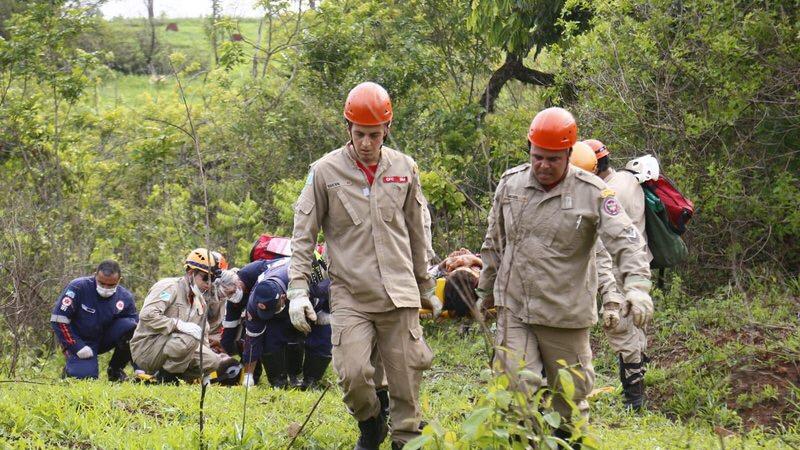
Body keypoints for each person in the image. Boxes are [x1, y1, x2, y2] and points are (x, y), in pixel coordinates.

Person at [477, 107, 653, 436]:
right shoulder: (511, 185)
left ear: (569, 154)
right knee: (515, 391)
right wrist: (484, 292)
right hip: (515, 307)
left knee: (569, 401)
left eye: (552, 159)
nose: (543, 166)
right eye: (537, 157)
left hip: (565, 315)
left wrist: (638, 287)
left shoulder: (593, 192)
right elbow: (494, 242)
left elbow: (626, 242)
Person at [289, 81, 435, 450]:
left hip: (399, 292)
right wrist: (296, 290)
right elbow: (303, 234)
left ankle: (404, 438)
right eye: (359, 135)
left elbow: (418, 232)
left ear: (387, 129)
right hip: (351, 294)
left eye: (374, 134)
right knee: (353, 374)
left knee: (406, 382)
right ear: (347, 129)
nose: (367, 143)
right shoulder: (324, 172)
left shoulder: (405, 168)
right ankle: (371, 423)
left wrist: (426, 287)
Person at [584, 138, 652, 409]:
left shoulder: (605, 193)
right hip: (639, 268)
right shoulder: (628, 180)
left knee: (620, 330)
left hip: (618, 272)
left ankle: (634, 400)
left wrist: (608, 294)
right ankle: (638, 388)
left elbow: (601, 246)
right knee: (637, 329)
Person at [130, 248, 240, 383]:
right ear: (191, 272)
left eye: (212, 279)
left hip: (174, 348)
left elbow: (203, 335)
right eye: (206, 278)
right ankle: (165, 379)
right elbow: (147, 314)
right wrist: (177, 325)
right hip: (148, 348)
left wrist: (207, 368)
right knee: (188, 339)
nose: (209, 284)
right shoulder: (169, 287)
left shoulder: (200, 301)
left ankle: (170, 378)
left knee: (211, 360)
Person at [239, 257, 332, 390]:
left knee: (323, 332)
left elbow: (331, 287)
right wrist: (248, 375)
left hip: (310, 297)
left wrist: (324, 312)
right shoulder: (254, 303)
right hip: (283, 307)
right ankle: (278, 380)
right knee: (270, 334)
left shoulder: (309, 283)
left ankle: (311, 380)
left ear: (283, 297)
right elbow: (252, 340)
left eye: (273, 310)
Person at [50, 260, 138, 381]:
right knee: (84, 378)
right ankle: (71, 369)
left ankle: (116, 370)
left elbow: (137, 334)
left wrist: (138, 367)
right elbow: (58, 319)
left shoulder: (125, 297)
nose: (105, 288)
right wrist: (76, 346)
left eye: (111, 285)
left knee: (132, 326)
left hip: (105, 337)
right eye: (101, 283)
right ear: (94, 275)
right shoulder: (78, 287)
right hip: (80, 340)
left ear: (119, 280)